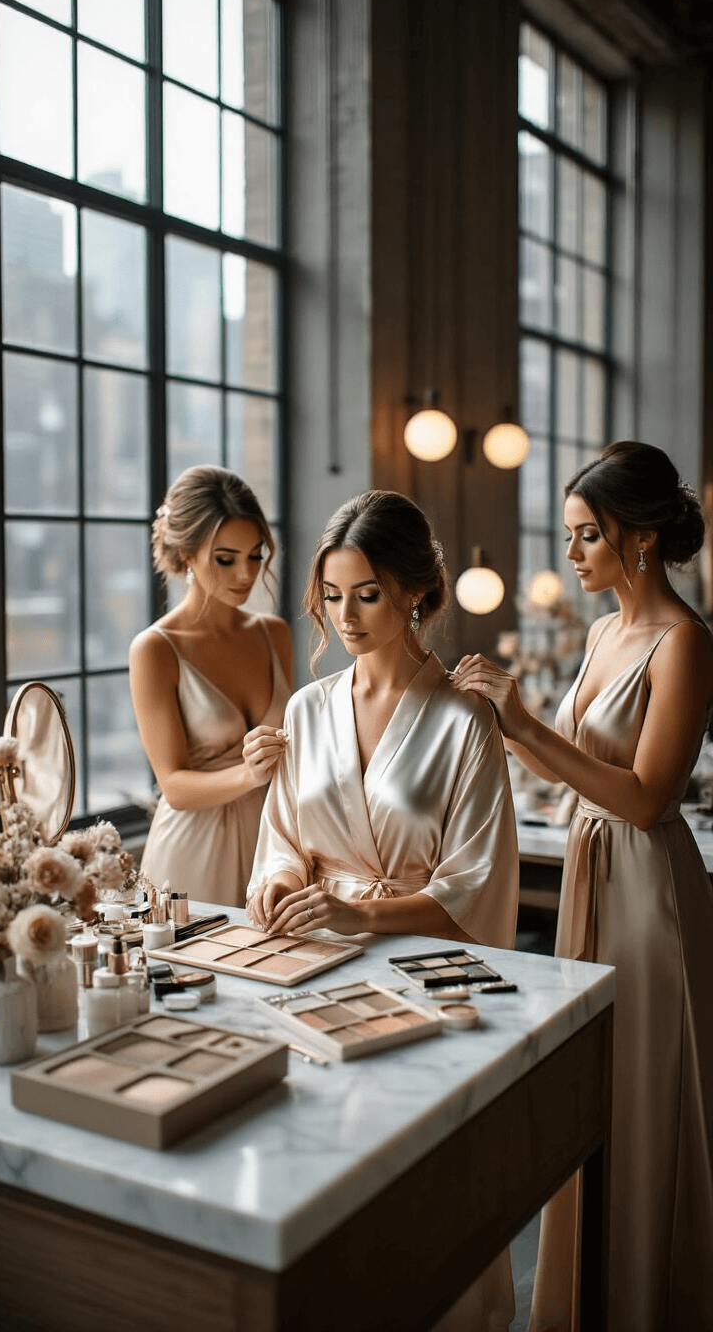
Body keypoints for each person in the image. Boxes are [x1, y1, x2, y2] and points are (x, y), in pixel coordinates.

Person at [452, 441, 713, 1332]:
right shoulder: (602, 631)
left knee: (646, 1081)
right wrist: (492, 720)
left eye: (586, 535)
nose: (570, 556)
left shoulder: (686, 644)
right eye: (569, 535)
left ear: (638, 539)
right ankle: (582, 1296)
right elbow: (567, 772)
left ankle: (649, 1299)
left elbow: (645, 799)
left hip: (648, 890)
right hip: (587, 869)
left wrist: (526, 721)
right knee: (590, 1085)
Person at [247, 488, 519, 1332]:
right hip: (314, 961)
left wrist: (364, 917)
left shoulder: (466, 720)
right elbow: (282, 839)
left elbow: (475, 884)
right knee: (322, 1169)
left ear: (416, 591)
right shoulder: (306, 708)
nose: (347, 614)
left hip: (418, 971)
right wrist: (280, 886)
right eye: (332, 595)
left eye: (367, 593)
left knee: (422, 1173)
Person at [129, 465, 292, 907]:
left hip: (272, 843)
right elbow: (175, 787)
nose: (245, 574)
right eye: (226, 559)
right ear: (185, 553)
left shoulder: (273, 634)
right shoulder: (155, 650)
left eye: (255, 555)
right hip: (191, 854)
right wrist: (249, 774)